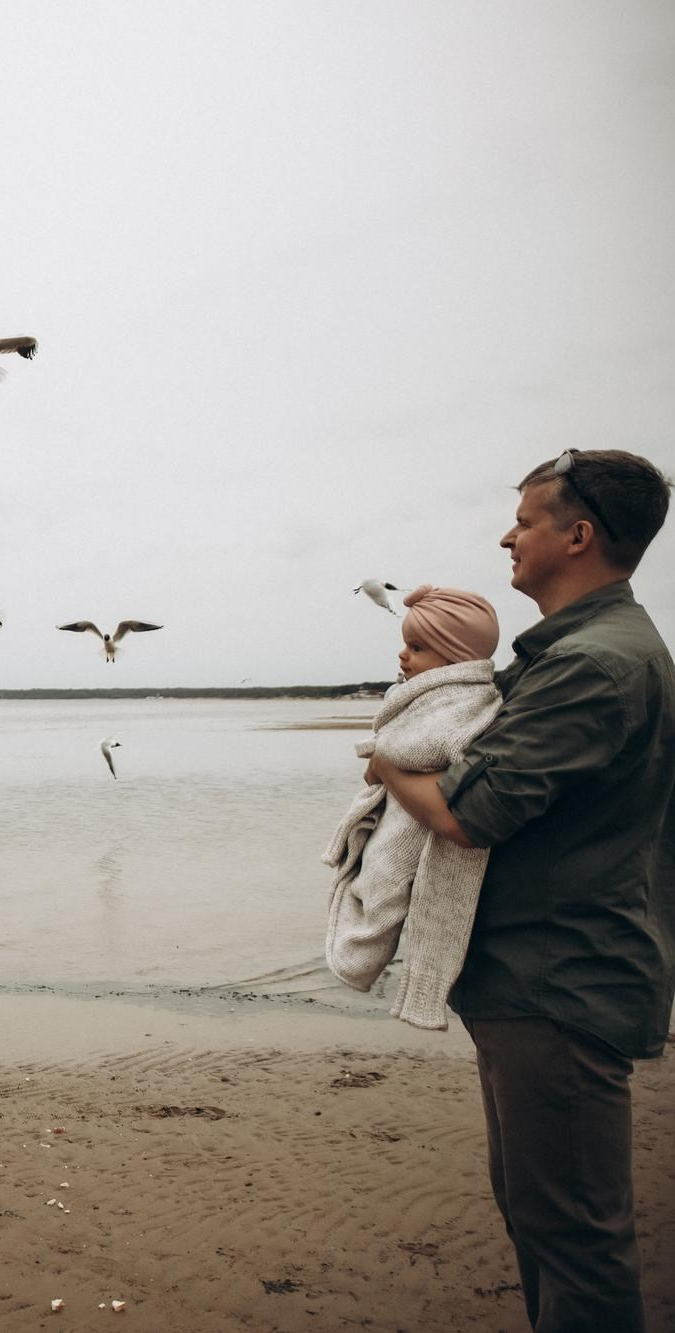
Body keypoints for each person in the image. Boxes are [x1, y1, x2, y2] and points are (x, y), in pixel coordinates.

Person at [367, 449, 672, 1332]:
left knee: (575, 1239)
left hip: (558, 985)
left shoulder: (592, 665)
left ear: (578, 536)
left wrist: (387, 760)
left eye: (526, 521)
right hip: (543, 979)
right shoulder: (583, 652)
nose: (508, 536)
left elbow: (468, 814)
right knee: (542, 1217)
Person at [324, 586, 502, 1028]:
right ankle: (356, 954)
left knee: (385, 884)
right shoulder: (435, 695)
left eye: (418, 648)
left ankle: (359, 959)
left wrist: (381, 753)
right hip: (407, 807)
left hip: (418, 823)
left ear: (455, 658)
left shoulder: (463, 701)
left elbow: (425, 746)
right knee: (374, 880)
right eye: (406, 644)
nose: (403, 655)